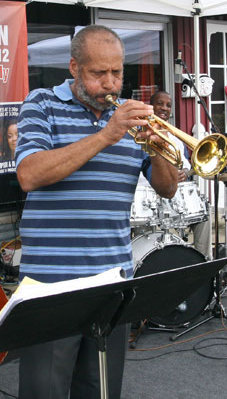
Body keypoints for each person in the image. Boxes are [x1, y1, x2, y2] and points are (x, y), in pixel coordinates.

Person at [14, 25, 178, 399]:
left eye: (117, 73)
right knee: (45, 391)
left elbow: (167, 188)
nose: (110, 83)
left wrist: (155, 147)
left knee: (100, 390)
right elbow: (30, 174)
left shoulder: (133, 119)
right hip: (51, 282)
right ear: (74, 67)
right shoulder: (41, 104)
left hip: (111, 280)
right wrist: (107, 135)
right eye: (98, 73)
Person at [147, 91, 211, 258]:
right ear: (150, 106)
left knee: (204, 215)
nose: (164, 108)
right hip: (149, 198)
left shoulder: (175, 137)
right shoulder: (142, 133)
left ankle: (203, 260)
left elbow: (186, 166)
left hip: (174, 197)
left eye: (168, 105)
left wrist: (183, 173)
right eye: (160, 103)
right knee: (144, 227)